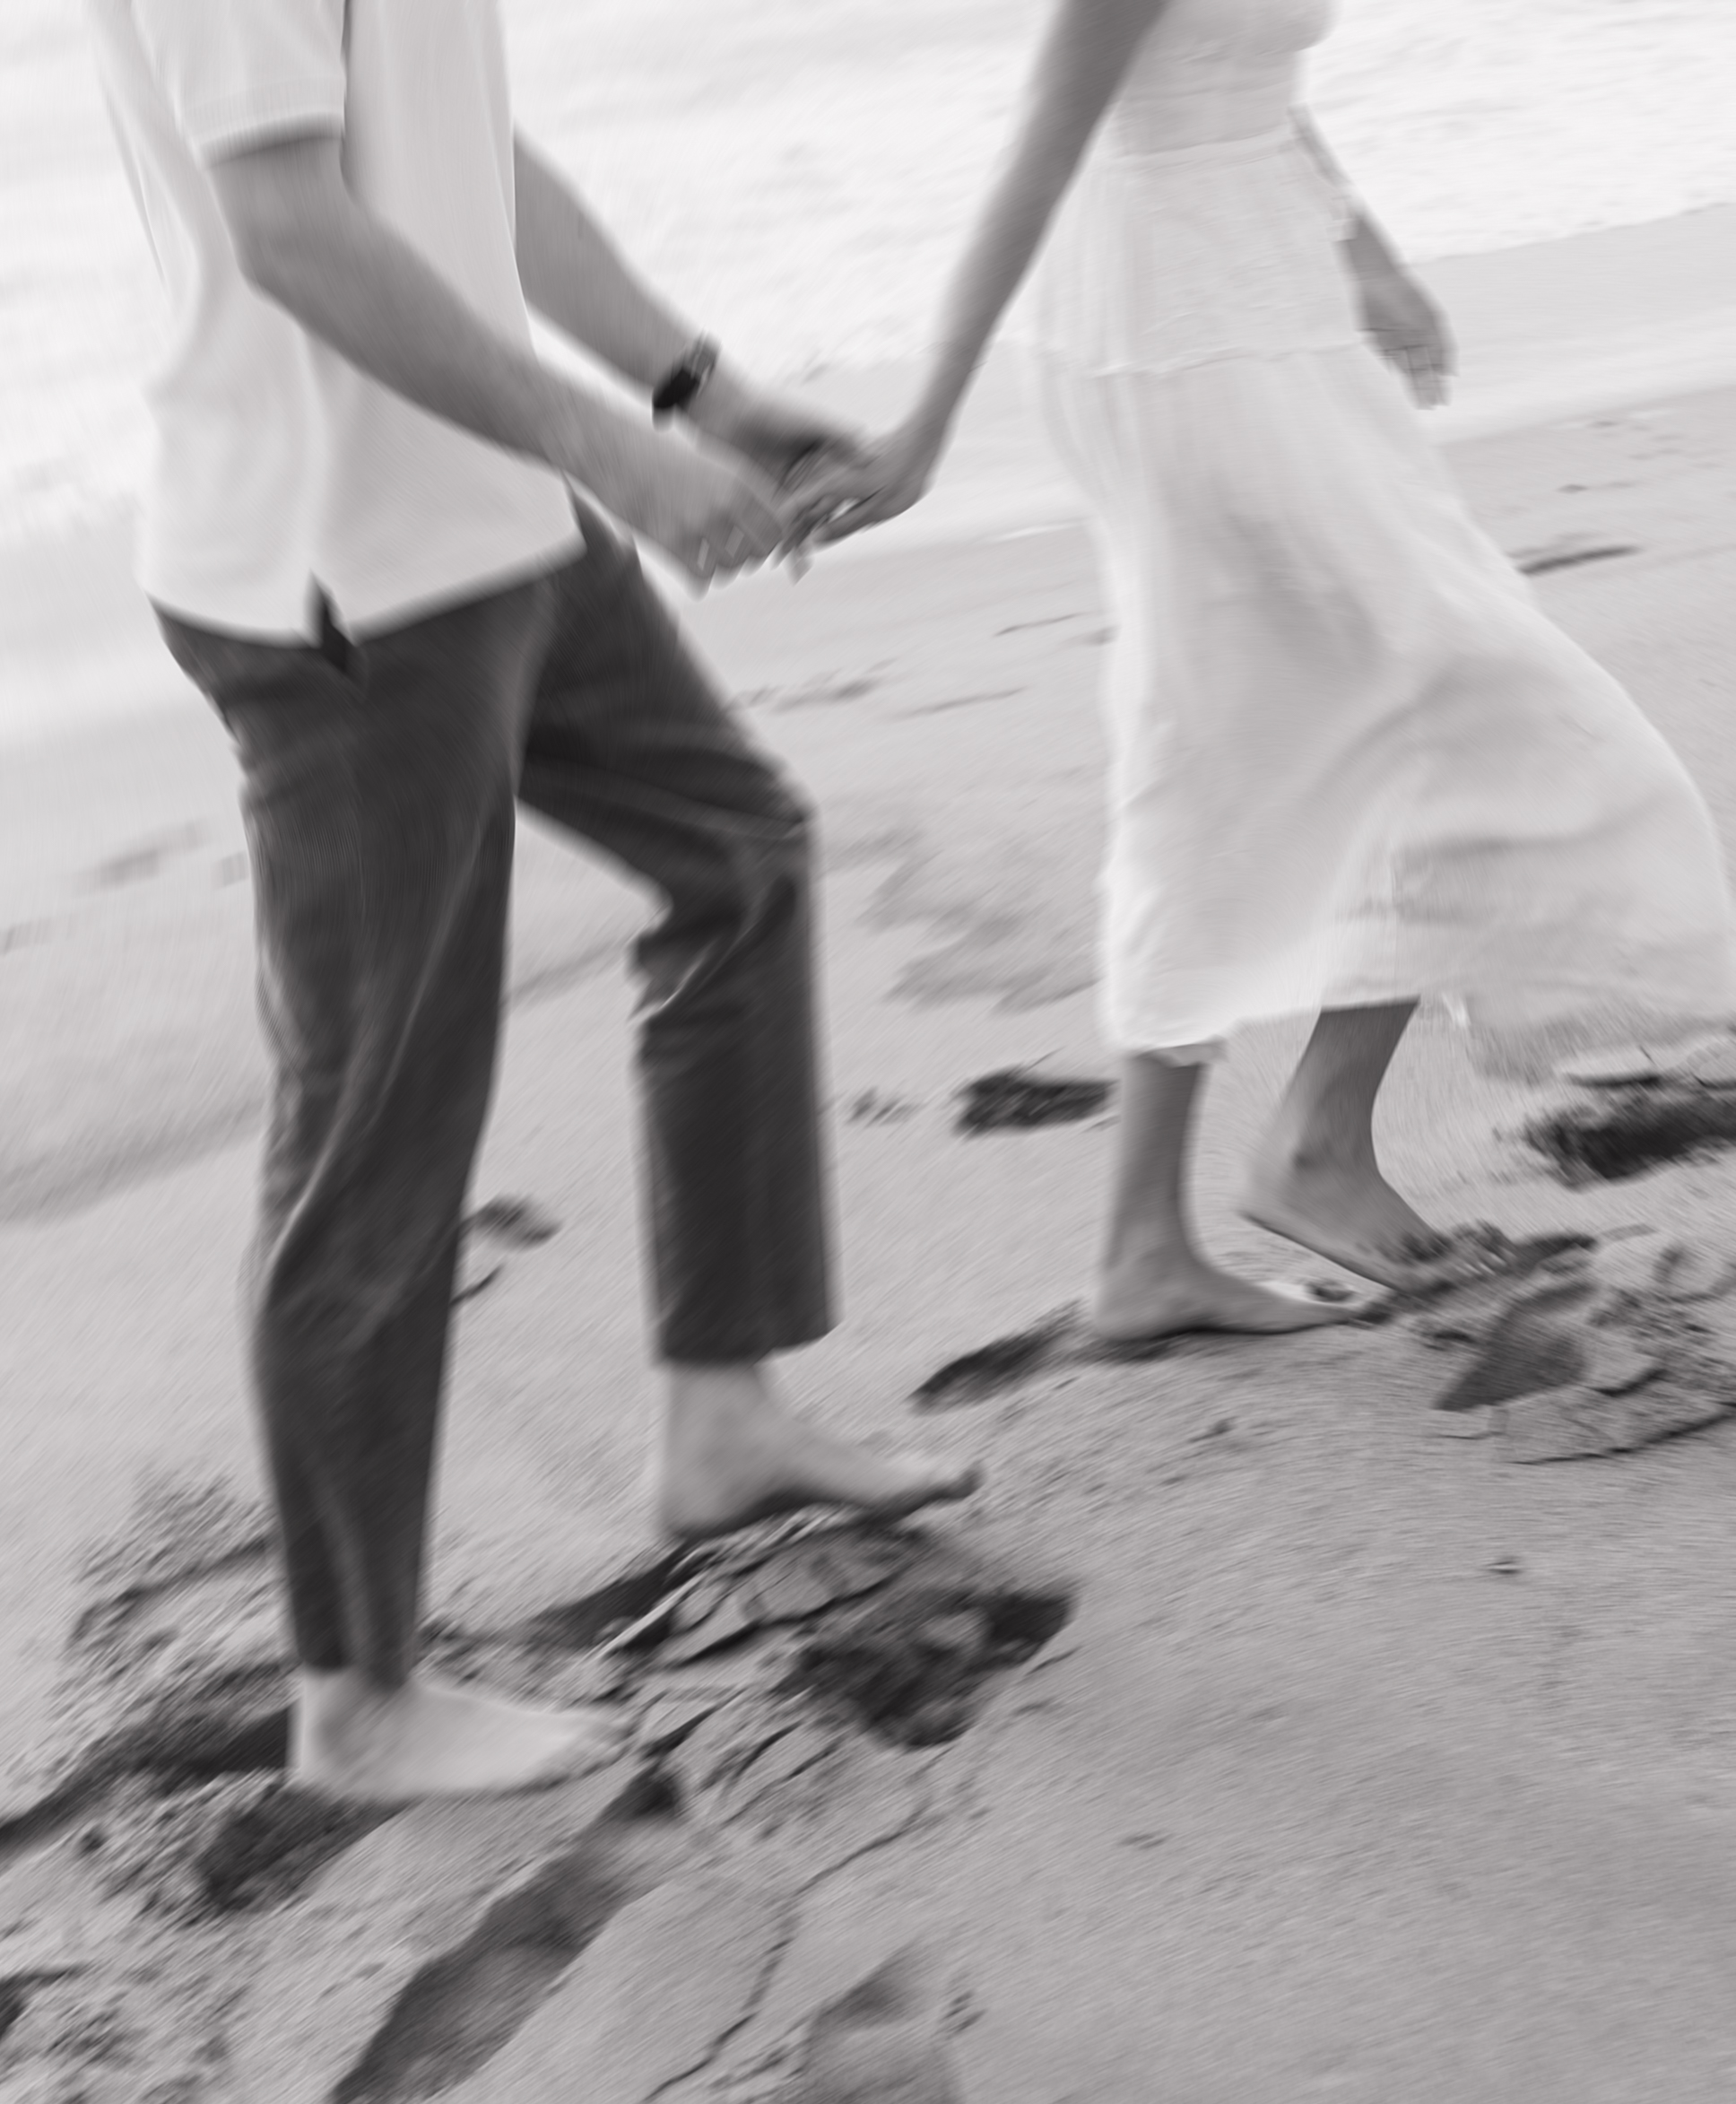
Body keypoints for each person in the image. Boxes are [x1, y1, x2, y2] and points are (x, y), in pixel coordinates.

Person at [82, 0, 977, 1804]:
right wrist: (619, 454)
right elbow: (293, 226)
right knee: (379, 1117)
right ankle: (354, 1699)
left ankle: (720, 1416)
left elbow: (457, 156)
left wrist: (693, 392)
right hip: (347, 579)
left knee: (734, 857)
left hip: (493, 521)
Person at [792, 0, 1736, 1346]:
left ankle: (1268, 1172)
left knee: (1392, 722)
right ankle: (1194, 1219)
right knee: (1302, 729)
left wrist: (1373, 256)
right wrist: (922, 433)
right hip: (1172, 342)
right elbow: (1043, 149)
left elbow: (1256, 79)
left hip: (1270, 299)